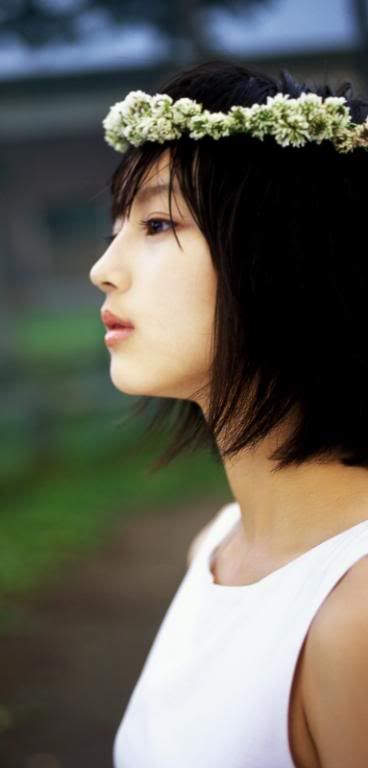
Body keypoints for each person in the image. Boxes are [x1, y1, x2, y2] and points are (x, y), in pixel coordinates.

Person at [88, 59, 368, 767]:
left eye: (156, 222)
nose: (104, 266)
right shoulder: (217, 549)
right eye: (119, 225)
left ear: (282, 259)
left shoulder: (354, 620)